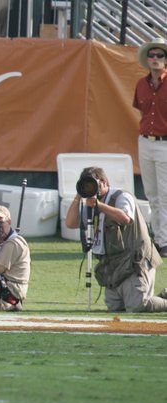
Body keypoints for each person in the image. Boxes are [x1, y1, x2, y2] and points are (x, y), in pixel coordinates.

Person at [65, 167, 167, 312]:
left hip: (135, 260)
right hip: (114, 264)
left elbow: (125, 218)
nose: (91, 189)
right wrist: (78, 196)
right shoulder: (90, 203)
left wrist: (99, 206)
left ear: (105, 182)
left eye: (94, 185)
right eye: (86, 186)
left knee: (137, 306)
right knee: (115, 307)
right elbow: (70, 223)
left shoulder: (121, 196)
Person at [134, 38, 167, 258]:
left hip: (165, 142)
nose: (155, 59)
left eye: (160, 55)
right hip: (145, 141)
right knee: (151, 194)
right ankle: (158, 237)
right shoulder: (141, 84)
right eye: (152, 55)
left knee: (165, 194)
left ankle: (163, 241)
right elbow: (142, 110)